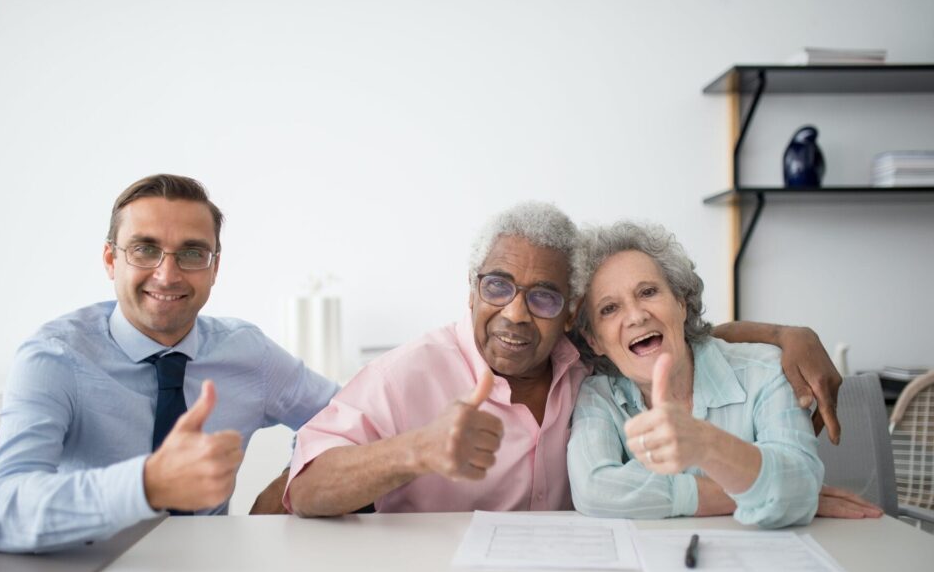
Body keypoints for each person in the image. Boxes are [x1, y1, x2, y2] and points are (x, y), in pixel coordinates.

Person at [284, 201, 855, 517]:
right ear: (471, 287)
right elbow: (305, 489)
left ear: (569, 315)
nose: (514, 314)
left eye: (542, 297)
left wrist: (786, 334)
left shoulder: (580, 360)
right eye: (497, 285)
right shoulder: (403, 375)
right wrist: (418, 449)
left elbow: (680, 335)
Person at [0, 174, 339, 552]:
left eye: (192, 253)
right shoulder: (53, 357)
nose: (167, 275)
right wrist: (147, 484)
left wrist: (289, 488)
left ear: (214, 268)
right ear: (111, 260)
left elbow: (352, 418)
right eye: (145, 250)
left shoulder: (248, 353)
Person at [567, 222, 883, 527]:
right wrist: (755, 494)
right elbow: (594, 490)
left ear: (681, 304)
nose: (636, 316)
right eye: (609, 309)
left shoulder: (766, 371)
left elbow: (798, 483)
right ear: (594, 339)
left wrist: (706, 444)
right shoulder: (598, 396)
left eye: (648, 292)